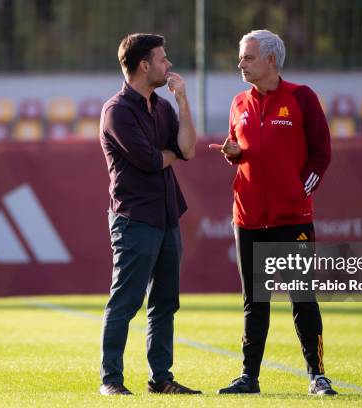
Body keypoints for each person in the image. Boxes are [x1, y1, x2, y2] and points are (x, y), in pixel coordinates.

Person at [208, 29, 337, 396]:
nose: (241, 63)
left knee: (302, 298)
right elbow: (244, 151)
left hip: (291, 219)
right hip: (247, 218)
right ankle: (249, 377)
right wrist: (234, 153)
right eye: (241, 57)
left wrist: (301, 189)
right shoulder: (238, 102)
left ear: (270, 60)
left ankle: (317, 376)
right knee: (254, 302)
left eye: (247, 57)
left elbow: (321, 153)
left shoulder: (302, 98)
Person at [98, 33, 200, 396]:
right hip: (134, 218)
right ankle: (111, 380)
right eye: (162, 58)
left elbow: (187, 149)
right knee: (125, 301)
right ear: (144, 65)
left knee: (165, 303)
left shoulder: (163, 106)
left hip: (167, 215)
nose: (168, 64)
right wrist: (168, 154)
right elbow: (151, 160)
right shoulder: (117, 111)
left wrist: (183, 100)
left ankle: (162, 379)